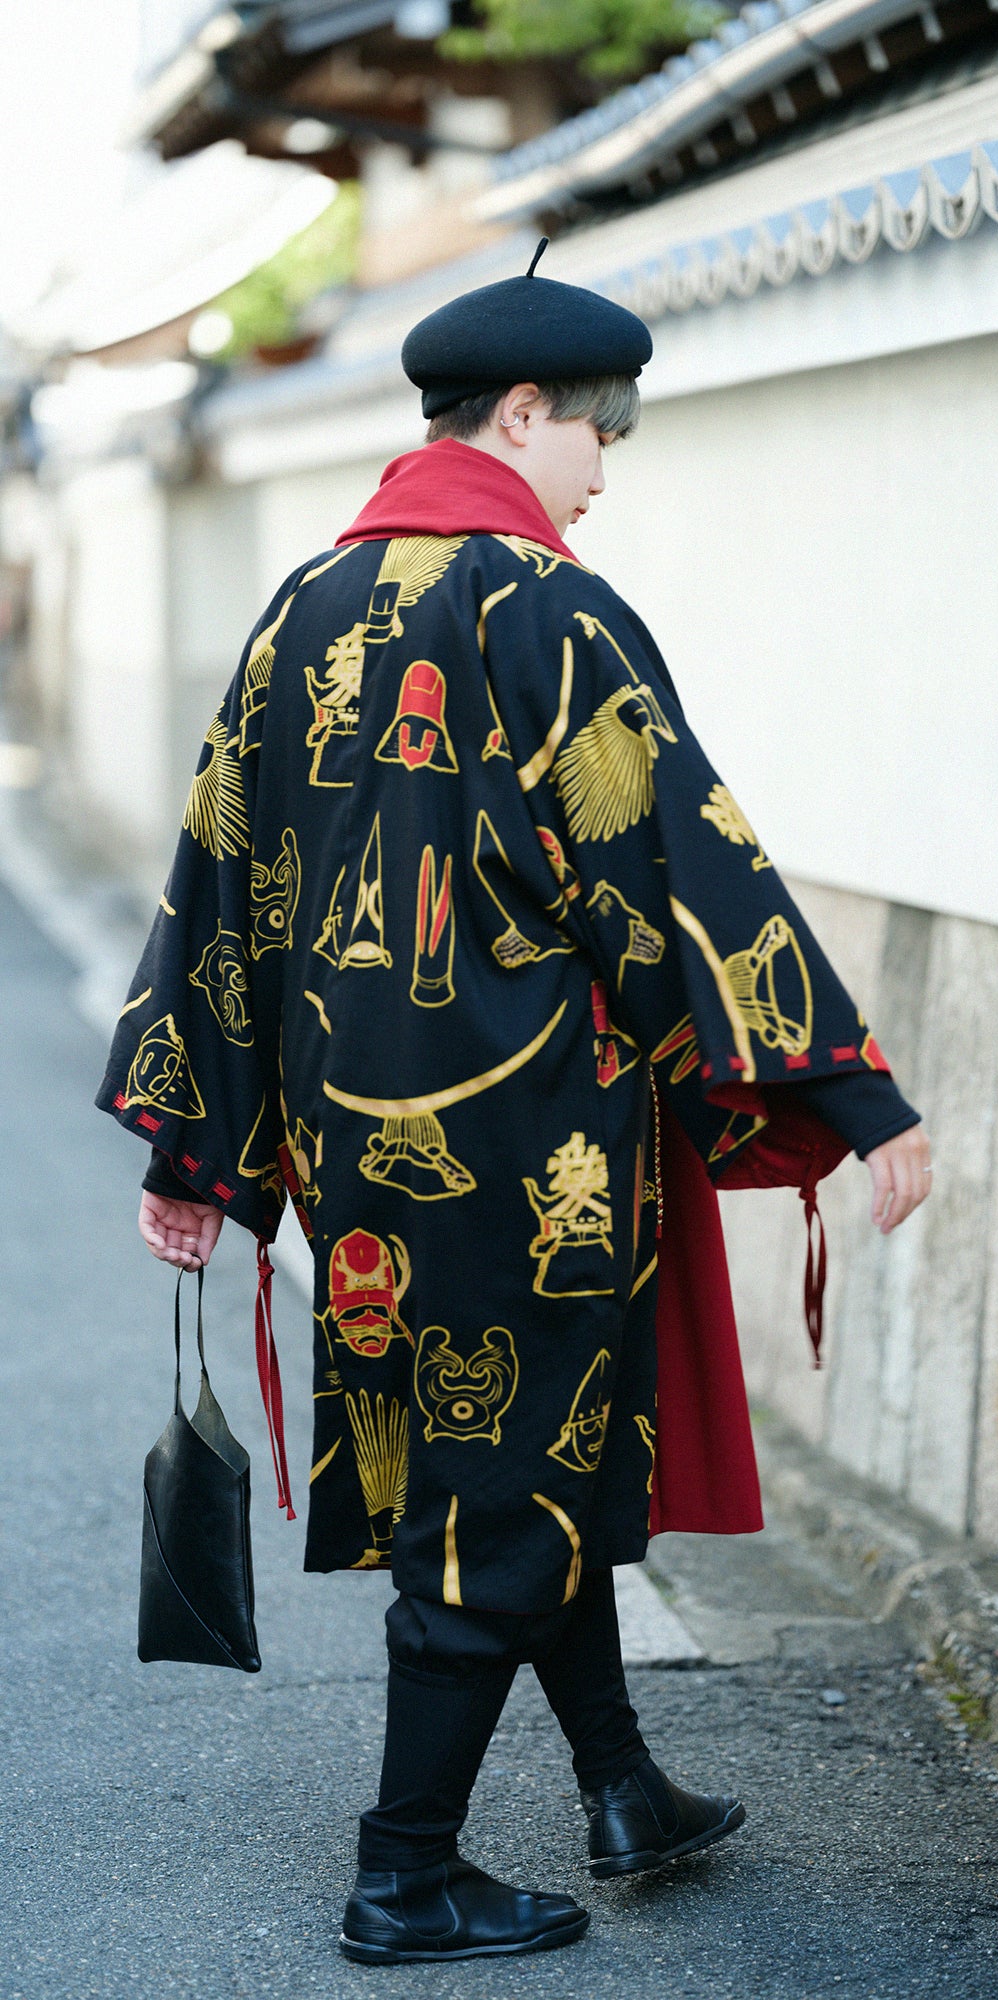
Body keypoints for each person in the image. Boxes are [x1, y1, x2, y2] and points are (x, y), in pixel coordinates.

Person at [98, 241, 932, 1965]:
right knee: (506, 1486)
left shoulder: (304, 610)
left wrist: (207, 1148)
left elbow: (223, 889)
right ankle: (403, 1875)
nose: (606, 469)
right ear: (528, 410)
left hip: (360, 1152)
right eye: (601, 430)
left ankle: (624, 1782)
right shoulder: (546, 608)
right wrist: (850, 1093)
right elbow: (674, 866)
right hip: (530, 1143)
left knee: (510, 1460)